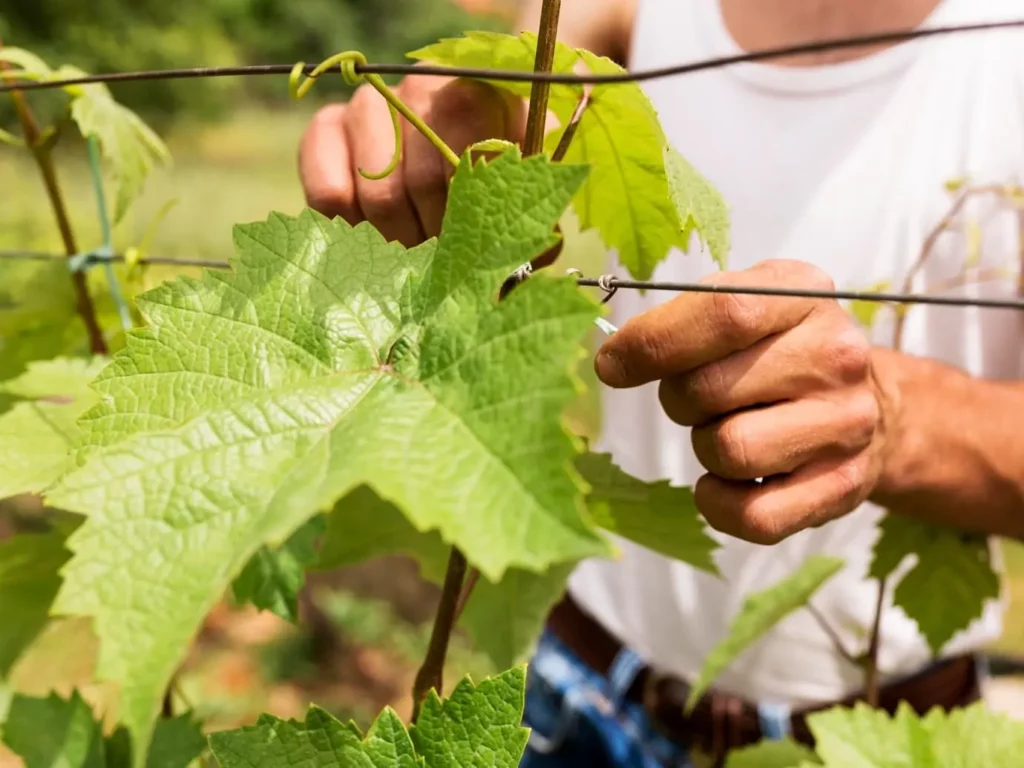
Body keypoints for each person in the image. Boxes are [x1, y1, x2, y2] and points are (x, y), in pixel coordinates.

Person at [298, 0, 1024, 764]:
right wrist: (458, 109)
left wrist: (898, 418)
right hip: (585, 695)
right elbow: (532, 71)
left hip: (883, 735)